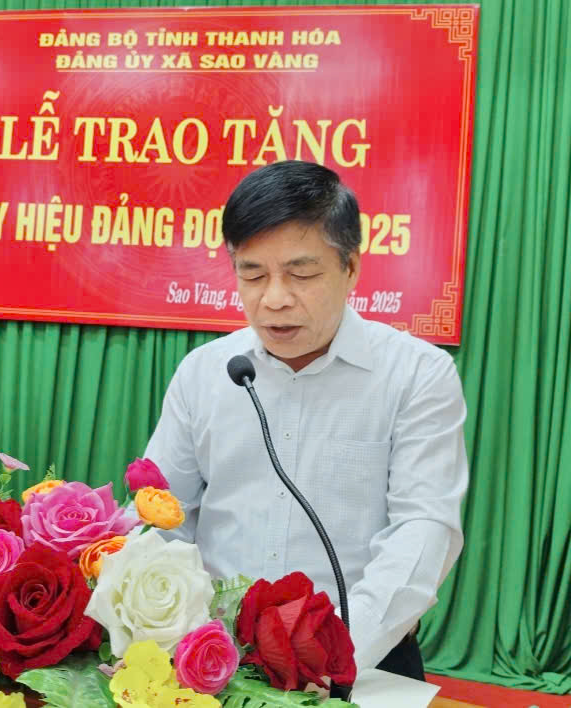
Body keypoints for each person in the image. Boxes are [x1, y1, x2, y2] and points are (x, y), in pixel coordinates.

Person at [144, 160, 469, 681]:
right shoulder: (204, 373)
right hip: (217, 659)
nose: (274, 299)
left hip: (364, 658)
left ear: (350, 268)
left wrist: (333, 654)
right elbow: (164, 520)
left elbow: (423, 529)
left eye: (302, 274)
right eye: (253, 274)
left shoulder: (416, 375)